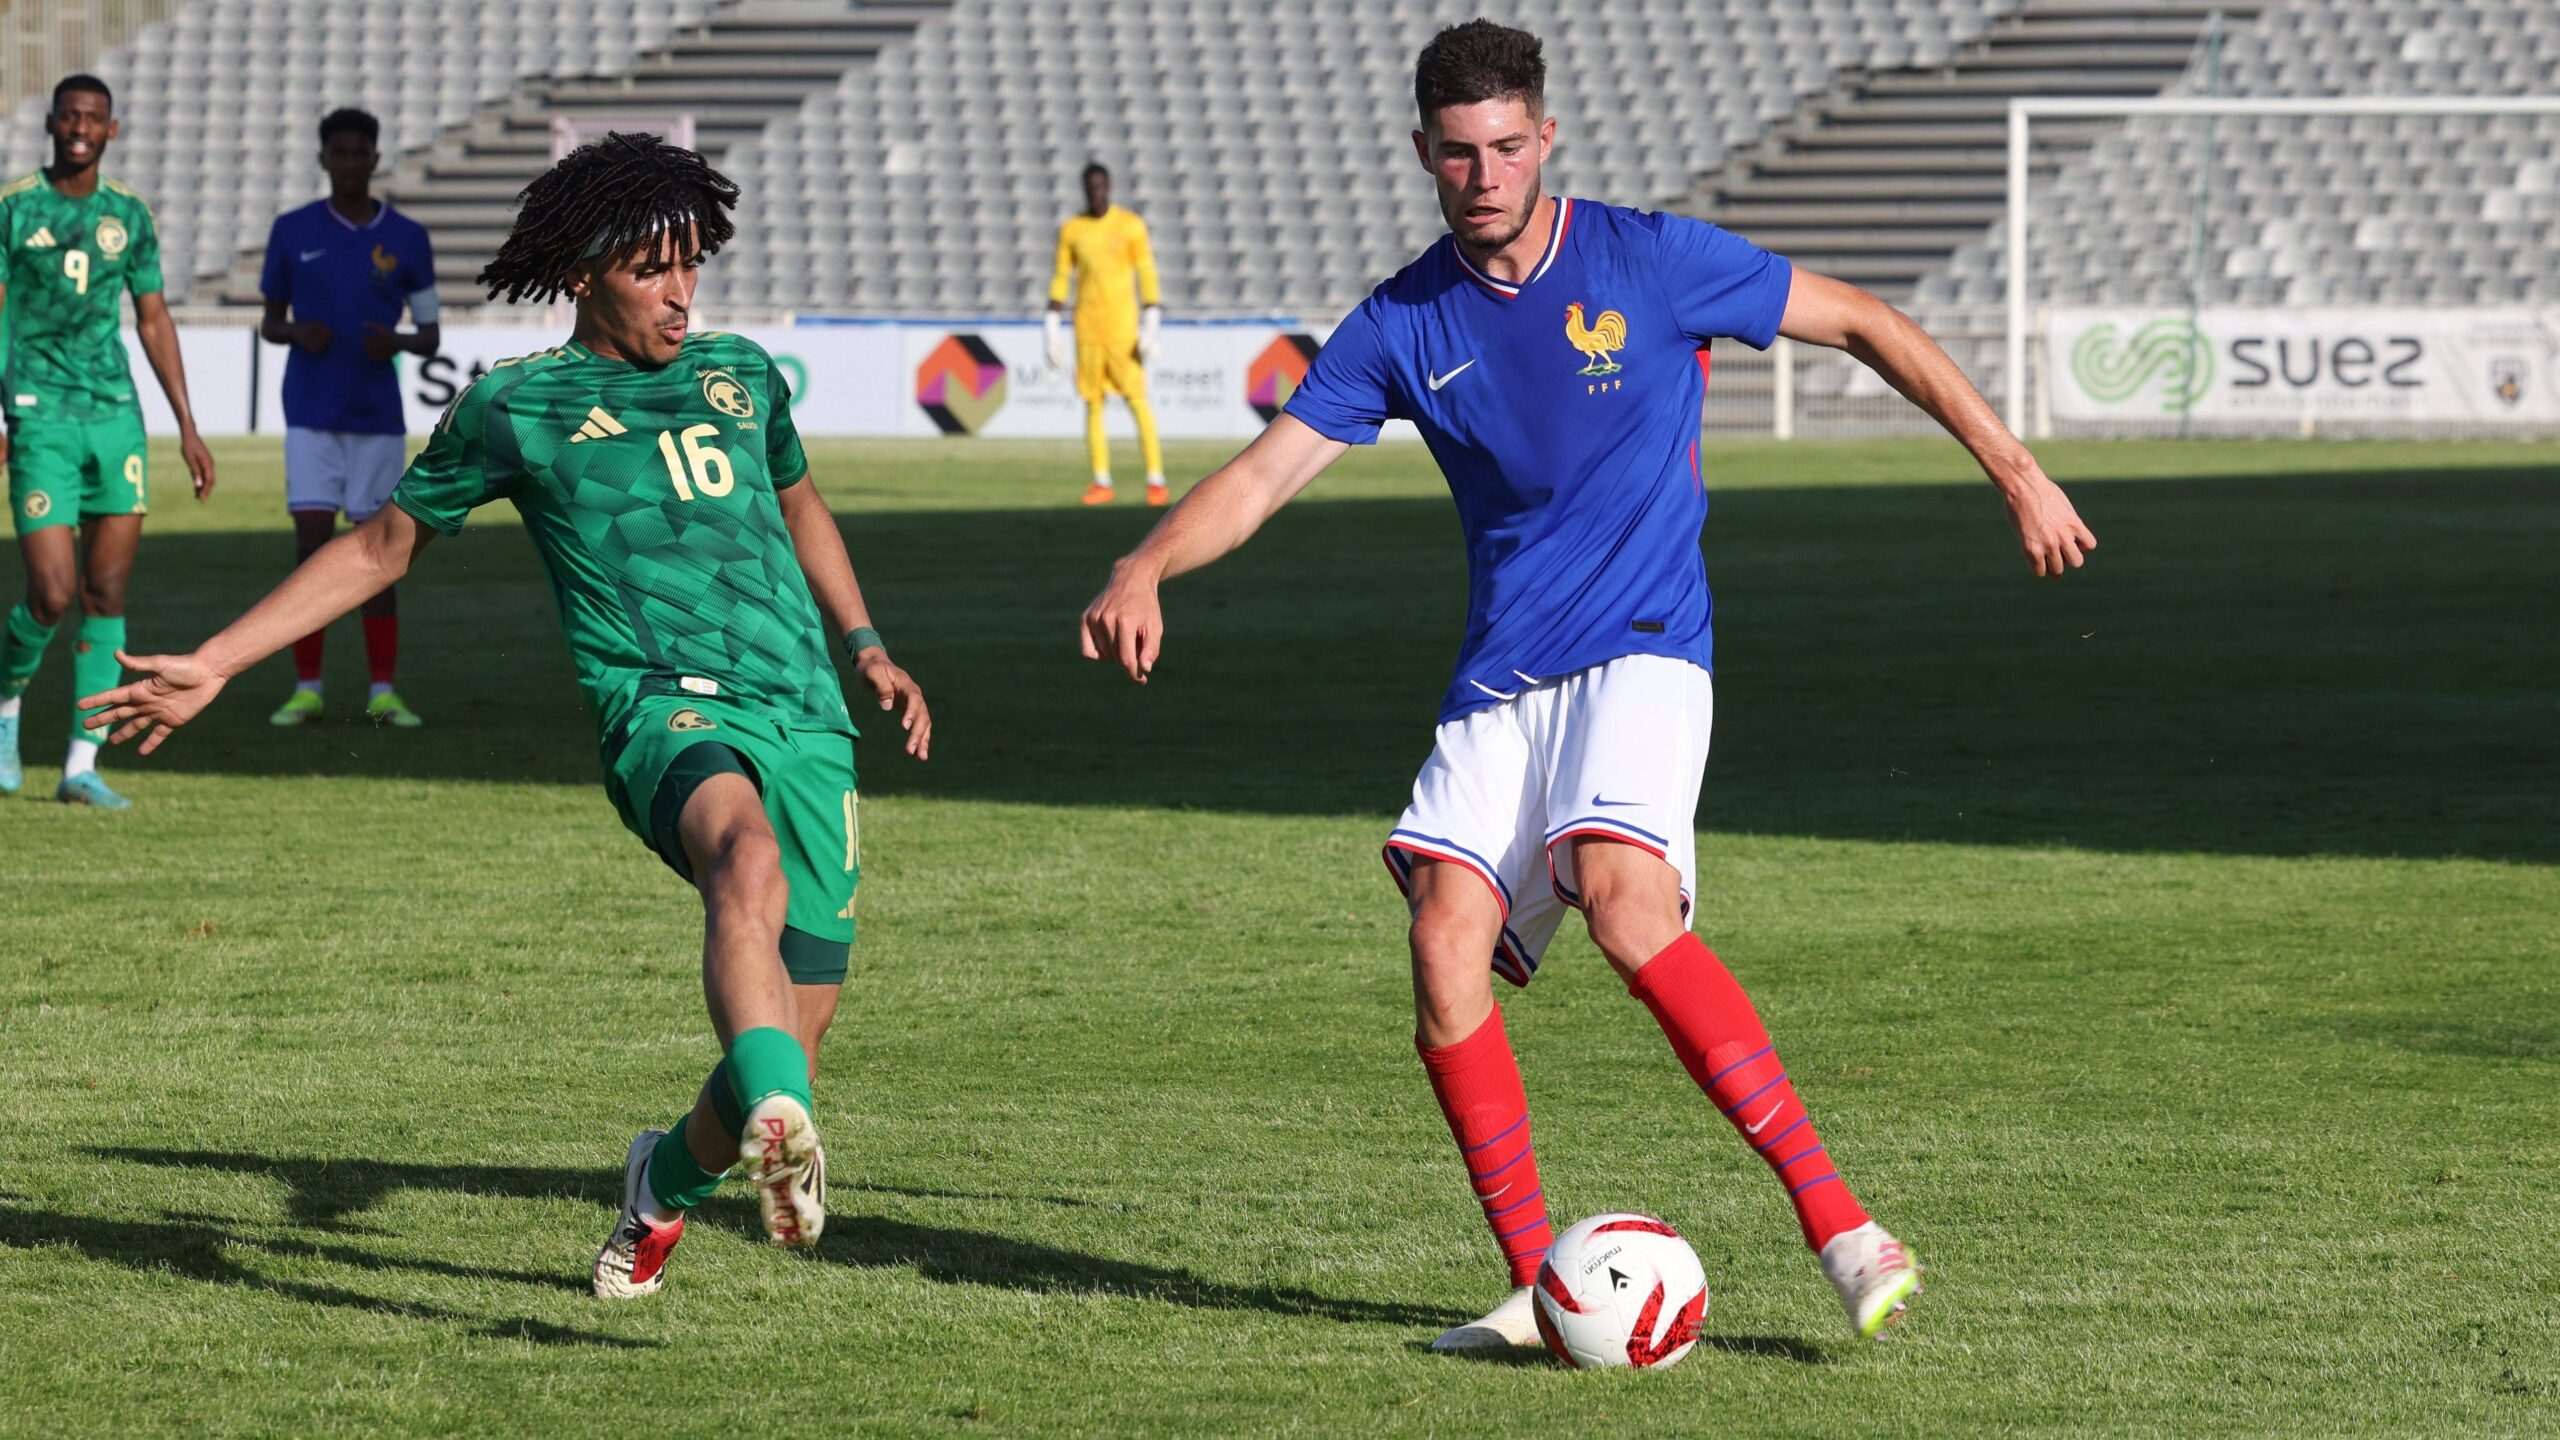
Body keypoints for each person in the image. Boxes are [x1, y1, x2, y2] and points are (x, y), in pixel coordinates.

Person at [1080, 20, 2097, 1351]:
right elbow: (1270, 472)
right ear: (1423, 154)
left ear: (1545, 137)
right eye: (1460, 152)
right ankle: (1535, 1292)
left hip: (1644, 646)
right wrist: (1148, 561)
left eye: (1508, 146)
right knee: (1441, 946)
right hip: (1500, 680)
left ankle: (1844, 1228)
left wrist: (2016, 471)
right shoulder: (1402, 321)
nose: (1486, 174)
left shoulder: (1649, 260)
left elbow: (1862, 320)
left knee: (1624, 901)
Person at [80, 134, 932, 1299]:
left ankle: (665, 1185)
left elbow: (801, 502)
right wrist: (219, 661)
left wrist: (866, 642)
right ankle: (780, 1118)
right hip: (665, 713)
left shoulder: (744, 376)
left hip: (810, 721)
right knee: (745, 864)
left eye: (690, 264)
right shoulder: (519, 407)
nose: (680, 292)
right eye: (650, 269)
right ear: (583, 274)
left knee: (786, 1038)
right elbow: (381, 546)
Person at [0, 73, 217, 807]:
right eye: (70, 116)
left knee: (106, 591)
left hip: (115, 418)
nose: (80, 128)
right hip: (40, 416)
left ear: (111, 129)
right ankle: (6, 708)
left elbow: (153, 318)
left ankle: (80, 764)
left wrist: (187, 425)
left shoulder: (128, 213)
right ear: (52, 124)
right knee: (51, 592)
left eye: (94, 117)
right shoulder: (15, 207)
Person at [258, 106, 440, 729]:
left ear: (375, 158)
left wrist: (399, 341)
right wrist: (295, 331)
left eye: (361, 153)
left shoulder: (408, 237)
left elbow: (431, 335)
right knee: (311, 546)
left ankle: (382, 691)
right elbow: (269, 321)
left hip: (377, 418)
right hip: (310, 413)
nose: (351, 163)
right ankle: (306, 687)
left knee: (379, 551)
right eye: (340, 153)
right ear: (323, 159)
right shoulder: (292, 230)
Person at [1046, 162, 1166, 506]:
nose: (1095, 193)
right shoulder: (1072, 230)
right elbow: (1061, 276)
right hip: (1087, 330)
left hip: (1122, 331)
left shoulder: (1130, 226)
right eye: (1090, 187)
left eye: (1100, 186)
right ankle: (1101, 481)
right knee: (1093, 404)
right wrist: (1051, 324)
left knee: (1137, 400)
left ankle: (1156, 480)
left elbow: (1146, 271)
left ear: (1109, 187)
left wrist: (1152, 320)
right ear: (1084, 190)